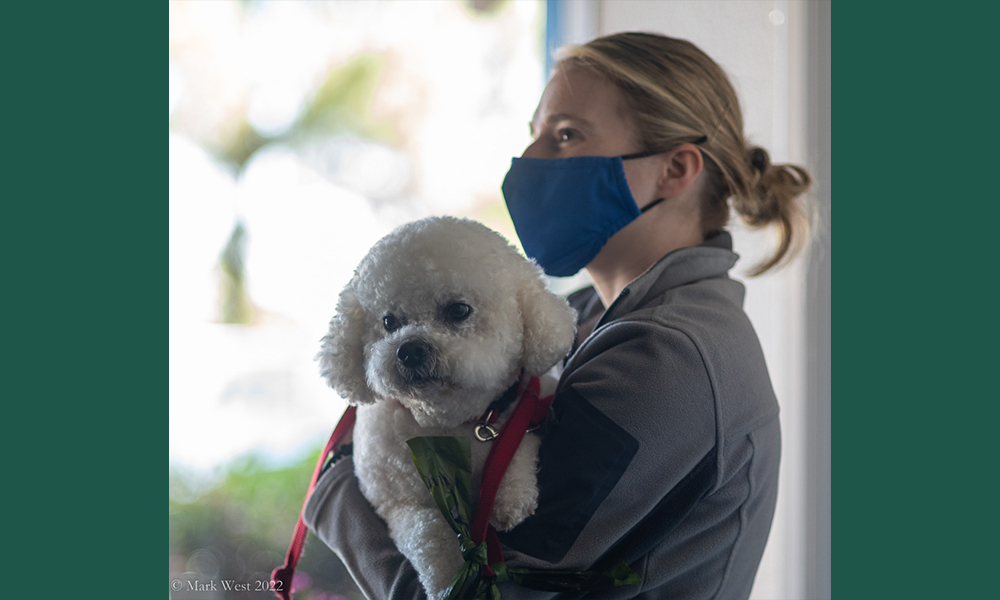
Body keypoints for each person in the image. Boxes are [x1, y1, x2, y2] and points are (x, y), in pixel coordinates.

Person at [304, 31, 811, 599]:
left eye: (566, 135)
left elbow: (480, 590)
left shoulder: (665, 358)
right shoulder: (589, 313)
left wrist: (333, 494)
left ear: (674, 170)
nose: (530, 161)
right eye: (535, 134)